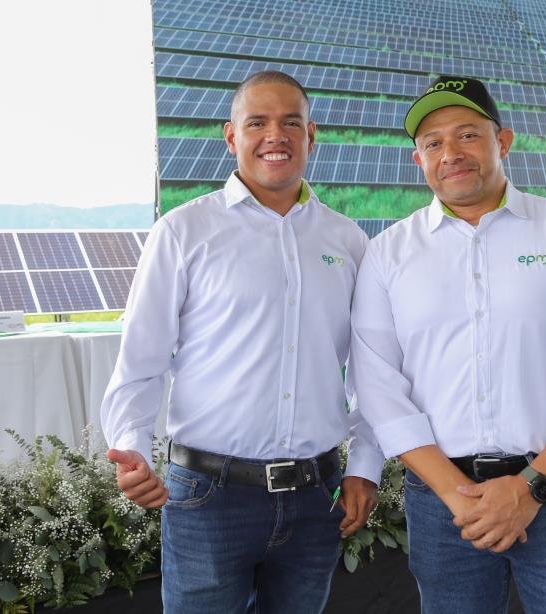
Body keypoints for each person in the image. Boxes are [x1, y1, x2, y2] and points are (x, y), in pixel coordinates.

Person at [350, 75, 546, 614]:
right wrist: (457, 495)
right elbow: (378, 387)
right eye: (433, 143)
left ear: (502, 141)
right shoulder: (387, 254)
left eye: (467, 135)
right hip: (442, 504)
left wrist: (531, 488)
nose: (451, 153)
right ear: (418, 159)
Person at [100, 70, 384, 613]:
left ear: (311, 136)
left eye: (291, 123)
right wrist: (132, 445)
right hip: (209, 498)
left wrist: (364, 466)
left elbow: (372, 371)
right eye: (257, 123)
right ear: (231, 137)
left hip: (316, 498)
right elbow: (141, 360)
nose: (275, 135)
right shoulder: (182, 232)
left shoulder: (347, 239)